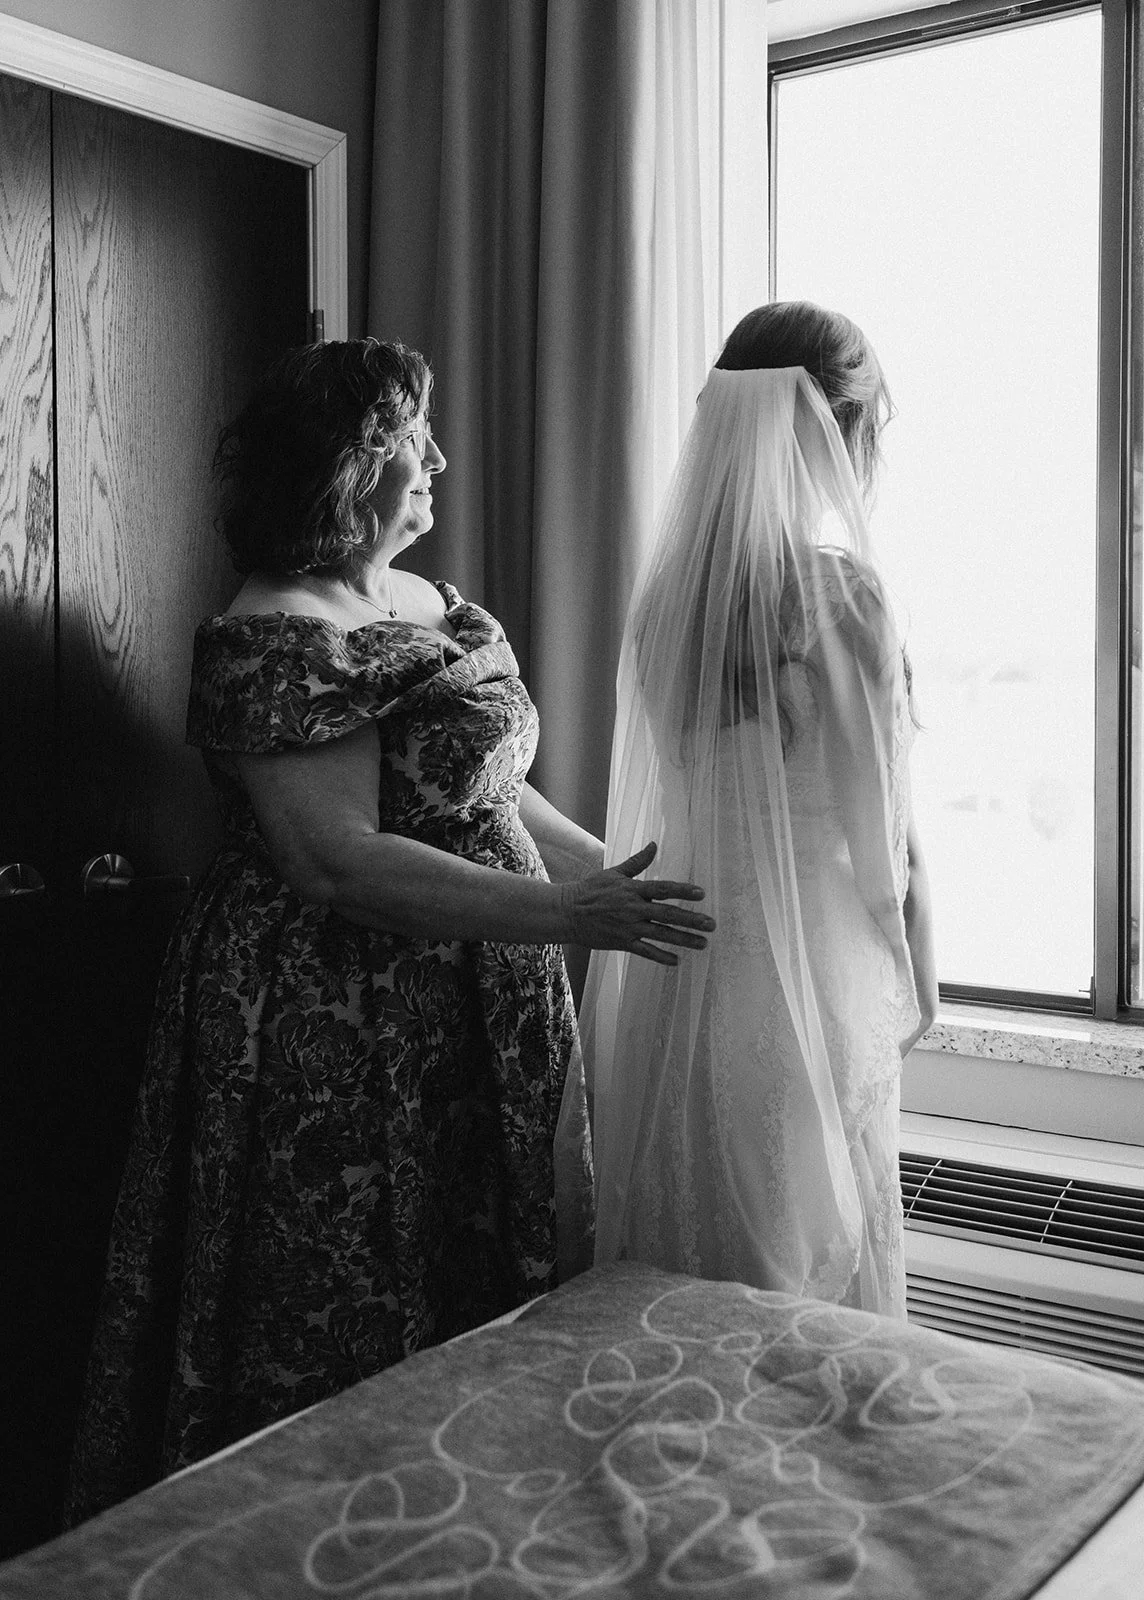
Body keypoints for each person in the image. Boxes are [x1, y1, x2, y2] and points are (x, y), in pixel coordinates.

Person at [66, 337, 714, 1522]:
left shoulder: (425, 601)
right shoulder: (275, 634)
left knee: (474, 1260)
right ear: (353, 467)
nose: (440, 461)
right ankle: (329, 1523)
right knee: (349, 1271)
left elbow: (488, 790)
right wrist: (565, 913)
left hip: (474, 989)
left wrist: (619, 876)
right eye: (416, 442)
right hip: (337, 1018)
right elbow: (339, 862)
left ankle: (474, 1506)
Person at [576, 302, 938, 1317]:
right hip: (812, 981)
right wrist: (915, 976)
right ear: (837, 429)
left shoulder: (668, 607)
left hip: (687, 985)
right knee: (815, 1294)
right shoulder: (843, 599)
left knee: (702, 1279)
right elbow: (884, 847)